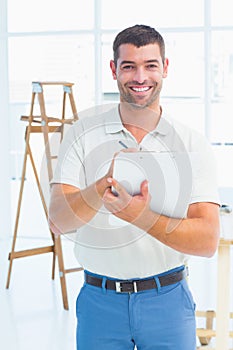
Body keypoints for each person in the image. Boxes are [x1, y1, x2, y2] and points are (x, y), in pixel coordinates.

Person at [49, 24, 220, 350]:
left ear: (165, 68)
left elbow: (207, 240)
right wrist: (101, 186)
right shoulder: (80, 135)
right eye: (129, 66)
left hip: (167, 301)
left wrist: (139, 215)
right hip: (100, 302)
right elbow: (58, 220)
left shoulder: (190, 143)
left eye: (150, 65)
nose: (140, 77)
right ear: (114, 69)